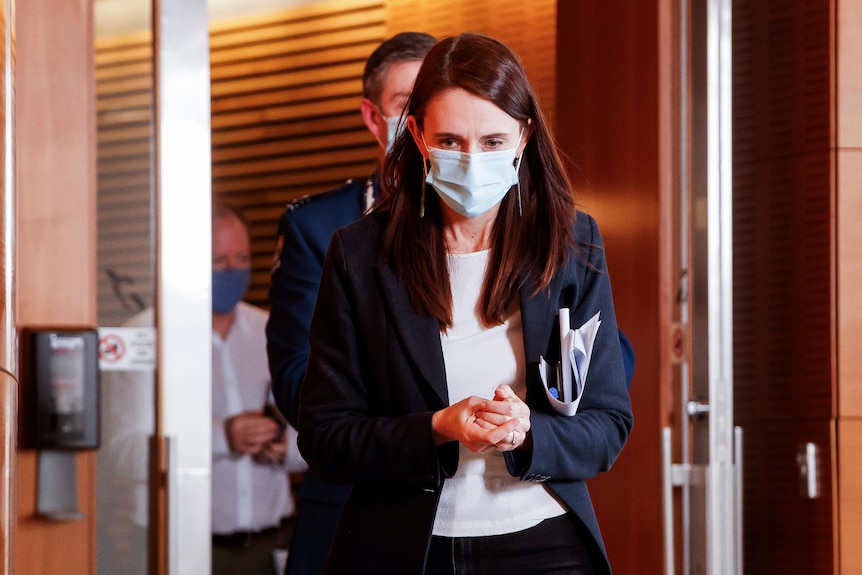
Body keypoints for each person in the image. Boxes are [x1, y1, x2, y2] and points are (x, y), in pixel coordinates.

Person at [295, 33, 634, 575]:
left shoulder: (572, 244)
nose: (472, 161)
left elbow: (608, 424)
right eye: (450, 140)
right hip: (408, 545)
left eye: (494, 141)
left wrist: (529, 431)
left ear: (524, 137)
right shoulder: (359, 255)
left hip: (545, 541)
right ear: (418, 136)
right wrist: (437, 427)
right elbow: (327, 437)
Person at [265, 31, 438, 575]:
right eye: (407, 104)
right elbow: (299, 384)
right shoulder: (320, 227)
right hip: (356, 506)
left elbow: (594, 356)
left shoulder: (510, 226)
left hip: (490, 509)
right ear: (372, 116)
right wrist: (437, 419)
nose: (424, 121)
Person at [210, 203, 306, 575]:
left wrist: (286, 449)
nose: (233, 271)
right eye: (218, 261)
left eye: (243, 258)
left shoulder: (274, 332)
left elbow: (320, 434)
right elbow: (124, 452)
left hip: (274, 545)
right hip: (187, 546)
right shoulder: (152, 337)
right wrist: (224, 437)